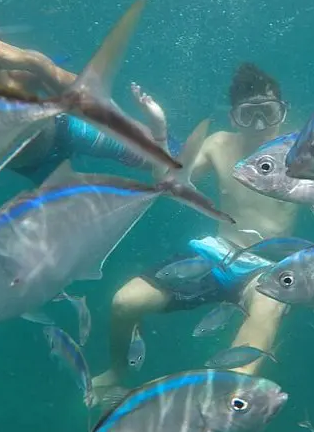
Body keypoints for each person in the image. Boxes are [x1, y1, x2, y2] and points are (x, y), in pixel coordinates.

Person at [93, 62, 298, 399]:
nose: (260, 124)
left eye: (269, 112)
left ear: (283, 112)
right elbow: (168, 183)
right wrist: (159, 128)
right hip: (214, 256)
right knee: (124, 302)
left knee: (266, 310)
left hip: (268, 266)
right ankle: (117, 372)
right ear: (233, 117)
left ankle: (223, 414)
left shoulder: (299, 150)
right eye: (249, 115)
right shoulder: (219, 144)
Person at [0, 0, 172, 219]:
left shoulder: (20, 65)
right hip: (33, 167)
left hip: (65, 130)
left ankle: (196, 155)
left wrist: (39, 65)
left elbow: (97, 101)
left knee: (159, 160)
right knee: (79, 220)